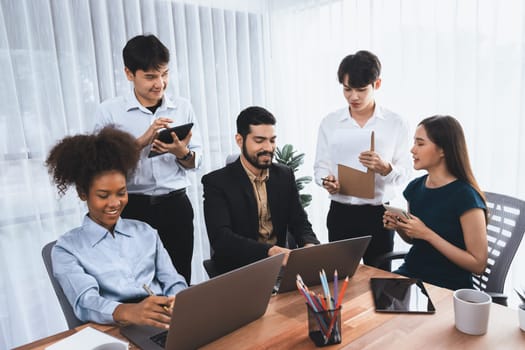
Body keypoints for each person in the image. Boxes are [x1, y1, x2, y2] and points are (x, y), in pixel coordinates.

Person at [45, 126, 187, 328]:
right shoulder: (67, 248)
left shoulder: (146, 232)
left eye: (121, 193)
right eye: (103, 196)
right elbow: (85, 302)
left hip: (163, 321)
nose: (114, 203)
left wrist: (176, 300)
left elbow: (173, 280)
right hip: (115, 328)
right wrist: (129, 312)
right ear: (83, 194)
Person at [94, 34, 202, 285]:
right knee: (139, 283)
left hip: (177, 208)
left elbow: (196, 160)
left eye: (164, 74)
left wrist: (181, 153)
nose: (160, 83)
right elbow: (101, 166)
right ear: (129, 74)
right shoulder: (109, 111)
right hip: (133, 210)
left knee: (179, 279)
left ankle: (180, 326)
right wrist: (141, 142)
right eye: (151, 77)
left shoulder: (182, 106)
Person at [314, 50, 412, 270]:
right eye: (347, 89)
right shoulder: (330, 122)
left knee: (379, 283)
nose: (353, 97)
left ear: (377, 84)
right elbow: (320, 166)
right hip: (341, 213)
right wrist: (326, 180)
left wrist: (386, 168)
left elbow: (406, 171)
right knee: (339, 280)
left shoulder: (395, 123)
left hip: (379, 214)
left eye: (361, 89)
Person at [202, 106, 320, 273]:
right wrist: (269, 251)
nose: (268, 148)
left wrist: (310, 245)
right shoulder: (217, 182)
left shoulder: (284, 175)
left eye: (272, 140)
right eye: (259, 141)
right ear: (240, 140)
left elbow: (299, 221)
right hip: (240, 270)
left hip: (277, 269)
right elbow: (222, 239)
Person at [383, 115, 488, 290]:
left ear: (443, 150)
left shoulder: (466, 196)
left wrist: (427, 234)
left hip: (446, 285)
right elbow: (414, 240)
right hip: (411, 274)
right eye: (414, 142)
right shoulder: (415, 187)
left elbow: (478, 265)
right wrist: (400, 226)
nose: (412, 149)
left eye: (420, 143)